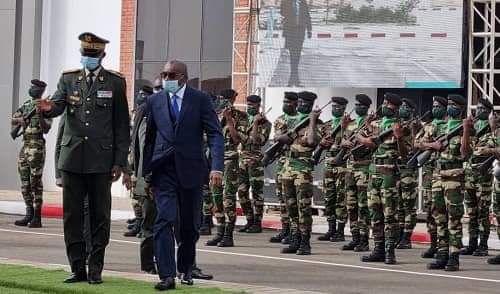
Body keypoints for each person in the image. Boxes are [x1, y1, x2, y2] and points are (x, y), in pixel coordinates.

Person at [36, 32, 130, 284]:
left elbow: (122, 125)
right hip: (73, 158)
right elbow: (57, 106)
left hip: (101, 160)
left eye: (92, 55)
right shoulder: (69, 79)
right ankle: (77, 267)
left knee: (100, 216)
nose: (87, 59)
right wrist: (46, 110)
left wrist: (120, 161)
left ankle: (96, 267)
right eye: (84, 54)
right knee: (72, 217)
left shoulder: (115, 83)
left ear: (102, 56)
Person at [142, 60, 223, 291]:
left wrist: (216, 167)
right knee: (163, 220)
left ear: (184, 77)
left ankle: (185, 267)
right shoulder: (154, 101)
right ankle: (166, 275)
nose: (167, 79)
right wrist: (145, 174)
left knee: (190, 226)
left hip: (191, 170)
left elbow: (215, 135)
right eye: (164, 74)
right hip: (163, 171)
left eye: (172, 75)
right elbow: (148, 140)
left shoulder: (200, 100)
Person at [360, 93, 408, 265]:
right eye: (384, 102)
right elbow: (358, 135)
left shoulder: (401, 126)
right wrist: (366, 139)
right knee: (375, 213)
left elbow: (405, 156)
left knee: (390, 214)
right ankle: (378, 248)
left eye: (389, 104)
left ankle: (389, 250)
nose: (385, 105)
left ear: (395, 108)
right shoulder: (375, 124)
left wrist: (400, 137)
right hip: (373, 172)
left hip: (388, 173)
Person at [426, 94, 472, 271]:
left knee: (454, 219)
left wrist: (466, 130)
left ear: (461, 108)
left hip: (454, 179)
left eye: (454, 104)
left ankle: (454, 256)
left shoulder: (465, 128)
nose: (450, 107)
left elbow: (465, 153)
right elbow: (420, 143)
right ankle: (442, 254)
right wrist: (433, 146)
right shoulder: (440, 127)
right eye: (449, 104)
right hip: (438, 176)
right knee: (439, 218)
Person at [279, 91, 321, 255]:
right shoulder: (290, 121)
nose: (302, 105)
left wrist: (311, 120)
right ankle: (295, 239)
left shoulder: (317, 124)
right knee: (291, 206)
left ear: (311, 106)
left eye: (306, 103)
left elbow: (311, 141)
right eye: (300, 102)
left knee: (303, 207)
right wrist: (287, 134)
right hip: (288, 167)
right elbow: (277, 138)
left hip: (303, 169)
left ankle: (305, 242)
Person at [206, 89, 248, 248]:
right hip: (214, 160)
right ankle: (219, 231)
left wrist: (229, 120)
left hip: (230, 159)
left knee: (228, 197)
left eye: (229, 99)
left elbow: (238, 140)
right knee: (215, 196)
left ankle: (228, 235)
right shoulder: (213, 115)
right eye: (223, 99)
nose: (225, 102)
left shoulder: (241, 117)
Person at [12, 79, 52, 228]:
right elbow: (13, 118)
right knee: (24, 182)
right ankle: (28, 213)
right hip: (25, 146)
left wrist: (40, 114)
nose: (31, 89)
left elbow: (46, 129)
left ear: (39, 89)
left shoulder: (45, 106)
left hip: (37, 147)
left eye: (33, 87)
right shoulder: (27, 105)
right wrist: (20, 120)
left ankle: (37, 217)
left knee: (35, 182)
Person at [461, 98, 496, 256]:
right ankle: (472, 242)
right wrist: (467, 130)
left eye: (483, 109)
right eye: (478, 108)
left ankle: (483, 244)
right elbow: (466, 152)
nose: (479, 111)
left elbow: (487, 149)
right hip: (470, 173)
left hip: (483, 175)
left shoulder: (493, 129)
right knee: (472, 211)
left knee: (482, 211)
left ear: (489, 112)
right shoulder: (472, 127)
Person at [414, 96, 448, 258]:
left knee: (442, 211)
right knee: (430, 210)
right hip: (430, 173)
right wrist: (431, 145)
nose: (435, 109)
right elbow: (416, 143)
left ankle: (444, 246)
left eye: (438, 106)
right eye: (433, 106)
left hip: (444, 174)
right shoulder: (429, 126)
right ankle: (434, 245)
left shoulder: (450, 126)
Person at [340, 94, 374, 251]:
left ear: (367, 107)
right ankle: (354, 237)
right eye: (356, 105)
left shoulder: (372, 124)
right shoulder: (351, 125)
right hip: (350, 168)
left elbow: (371, 143)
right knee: (351, 205)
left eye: (361, 105)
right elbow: (341, 142)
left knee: (363, 206)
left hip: (364, 168)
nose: (358, 107)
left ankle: (363, 239)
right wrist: (343, 137)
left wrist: (367, 126)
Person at [238, 95, 272, 233]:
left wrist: (256, 124)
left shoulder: (265, 123)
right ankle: (249, 220)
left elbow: (257, 140)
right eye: (248, 104)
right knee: (242, 192)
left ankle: (257, 222)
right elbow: (240, 138)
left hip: (255, 160)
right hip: (242, 159)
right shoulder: (243, 120)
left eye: (253, 105)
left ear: (259, 105)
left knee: (257, 192)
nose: (250, 107)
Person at [124, 85, 154, 238]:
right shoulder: (135, 113)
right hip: (133, 157)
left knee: (143, 194)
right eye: (139, 94)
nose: (140, 97)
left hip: (142, 160)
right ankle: (138, 222)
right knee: (135, 194)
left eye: (143, 94)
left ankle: (144, 225)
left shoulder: (148, 112)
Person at [317, 97, 348, 243]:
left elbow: (348, 142)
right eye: (333, 106)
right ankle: (331, 229)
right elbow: (319, 140)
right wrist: (322, 142)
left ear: (344, 108)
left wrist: (343, 128)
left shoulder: (350, 124)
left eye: (338, 107)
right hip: (328, 163)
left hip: (342, 165)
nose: (335, 109)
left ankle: (340, 231)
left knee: (341, 199)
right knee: (329, 198)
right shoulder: (327, 125)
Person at [269, 92, 299, 244]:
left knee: (292, 201)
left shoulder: (301, 119)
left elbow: (287, 139)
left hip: (294, 163)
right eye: (284, 101)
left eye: (289, 102)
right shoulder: (280, 119)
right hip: (281, 162)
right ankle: (285, 229)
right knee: (281, 198)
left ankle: (294, 231)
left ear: (295, 103)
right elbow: (277, 138)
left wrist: (284, 137)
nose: (285, 104)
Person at [395, 98, 419, 249]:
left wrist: (415, 129)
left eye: (406, 107)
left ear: (411, 110)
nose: (402, 109)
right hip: (396, 168)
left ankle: (406, 236)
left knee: (408, 205)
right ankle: (399, 234)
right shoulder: (397, 124)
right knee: (398, 205)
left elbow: (416, 147)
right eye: (401, 106)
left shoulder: (416, 125)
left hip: (408, 169)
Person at [280, 0, 312, 87]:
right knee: (292, 55)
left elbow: (307, 16)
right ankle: (295, 80)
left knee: (296, 56)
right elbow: (282, 12)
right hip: (290, 32)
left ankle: (293, 79)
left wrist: (309, 29)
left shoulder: (303, 2)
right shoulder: (286, 2)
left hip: (300, 32)